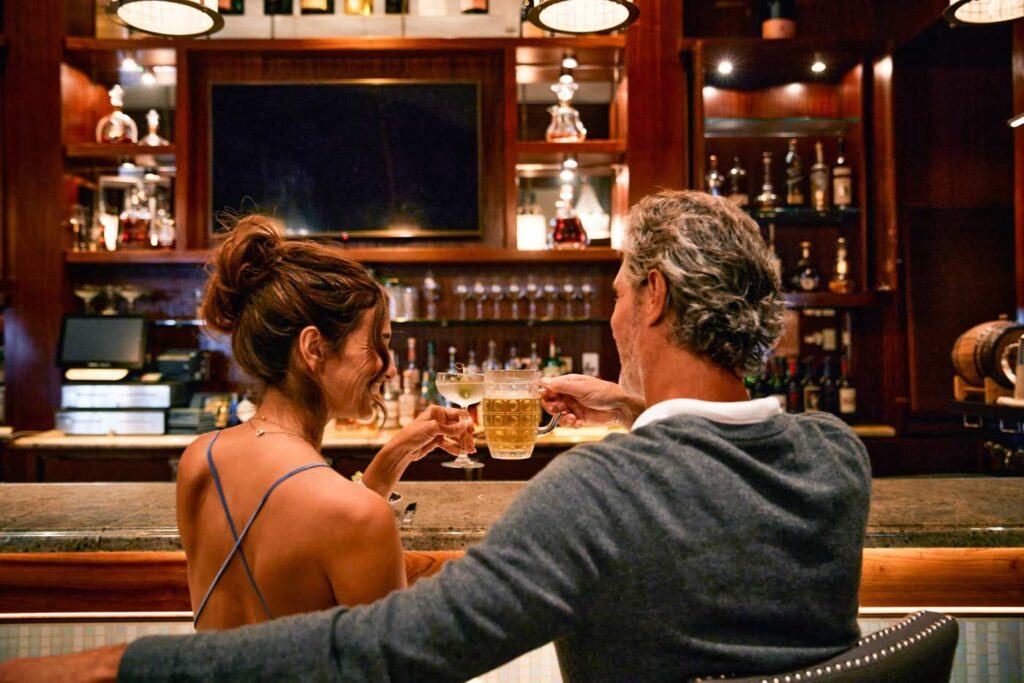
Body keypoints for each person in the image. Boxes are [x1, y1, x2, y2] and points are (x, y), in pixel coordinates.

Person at [0, 191, 870, 683]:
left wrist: (128, 668)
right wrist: (628, 404)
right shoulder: (836, 456)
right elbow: (719, 454)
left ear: (651, 298)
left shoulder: (598, 494)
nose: (610, 312)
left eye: (613, 291)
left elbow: (388, 650)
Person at [178, 217, 476, 630]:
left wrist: (395, 454)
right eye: (379, 345)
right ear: (314, 348)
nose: (388, 370)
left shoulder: (200, 459)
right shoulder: (359, 518)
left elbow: (301, 545)